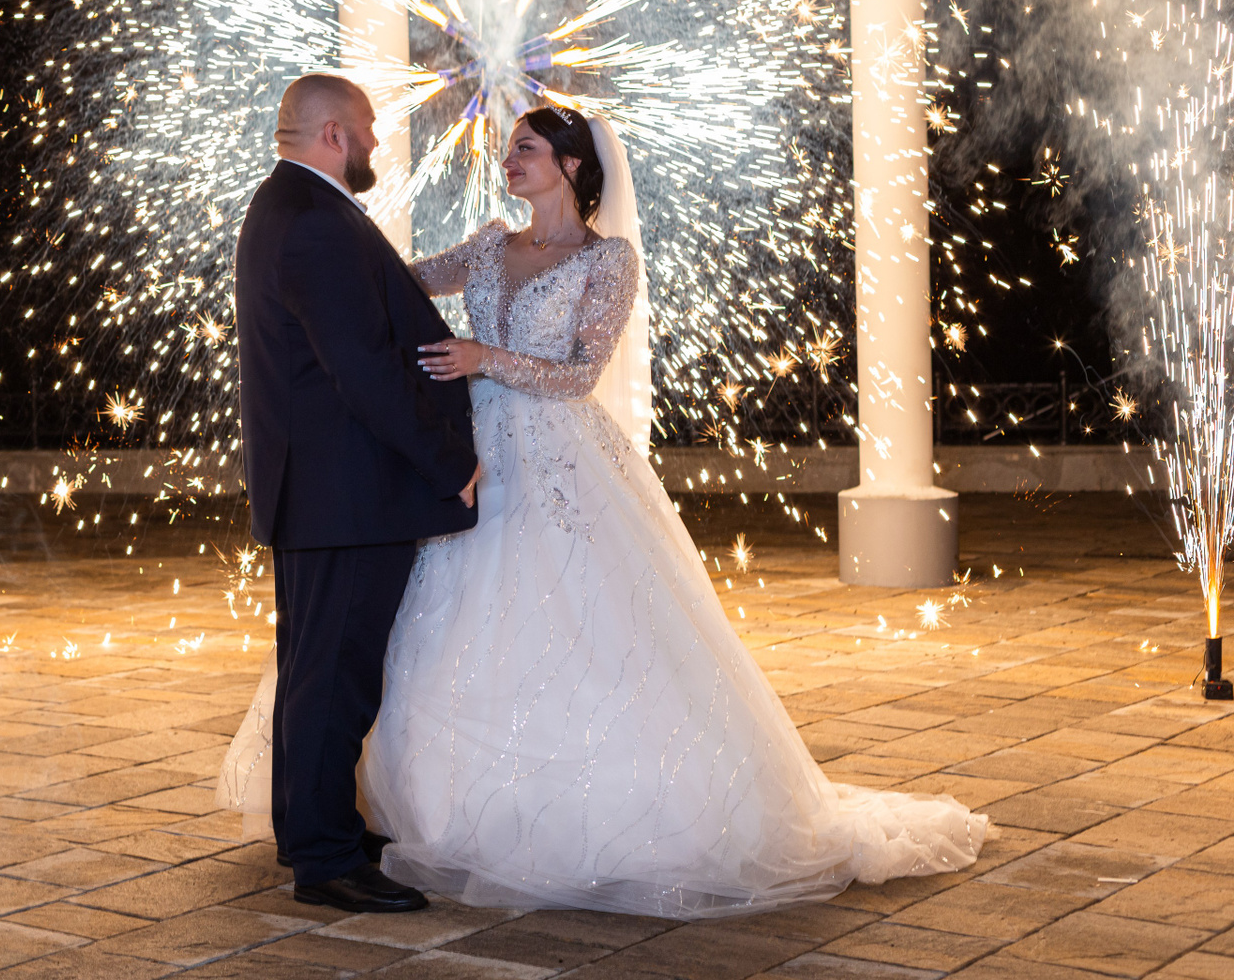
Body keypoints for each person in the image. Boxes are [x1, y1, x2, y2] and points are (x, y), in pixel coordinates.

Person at [224, 101, 988, 918]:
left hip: (556, 455)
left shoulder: (608, 260)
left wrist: (485, 357)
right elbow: (389, 288)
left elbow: (581, 373)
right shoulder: (488, 244)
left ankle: (465, 818)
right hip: (467, 448)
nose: (508, 158)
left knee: (576, 615)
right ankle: (359, 825)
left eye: (526, 148)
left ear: (571, 165)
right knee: (405, 635)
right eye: (510, 148)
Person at [232, 72, 483, 914]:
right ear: (334, 134)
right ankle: (326, 859)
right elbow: (364, 371)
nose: (377, 142)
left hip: (321, 491)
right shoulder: (313, 220)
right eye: (368, 128)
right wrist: (447, 462)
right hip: (345, 492)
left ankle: (310, 826)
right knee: (335, 677)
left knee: (313, 670)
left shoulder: (287, 207)